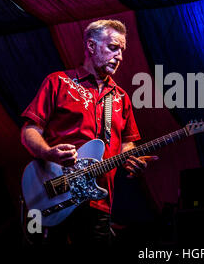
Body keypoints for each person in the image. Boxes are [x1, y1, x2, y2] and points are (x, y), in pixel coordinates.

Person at [21, 19, 158, 245]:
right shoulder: (59, 82)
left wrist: (131, 159)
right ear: (91, 46)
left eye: (122, 51)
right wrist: (48, 153)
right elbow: (30, 130)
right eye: (113, 47)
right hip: (53, 193)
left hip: (98, 201)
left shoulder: (121, 98)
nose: (120, 56)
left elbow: (127, 143)